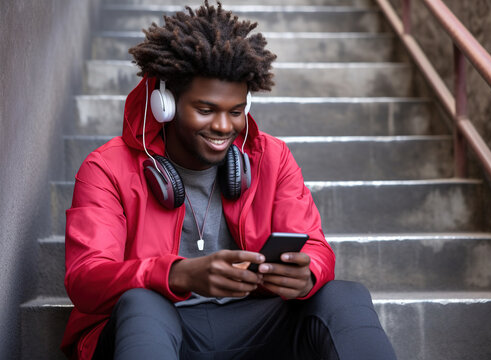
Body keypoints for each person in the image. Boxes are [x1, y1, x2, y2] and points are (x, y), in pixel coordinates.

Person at [61, 2, 397, 359]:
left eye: (235, 112)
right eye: (205, 110)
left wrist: (307, 275)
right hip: (160, 327)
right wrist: (178, 275)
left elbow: (315, 246)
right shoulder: (107, 167)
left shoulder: (272, 157)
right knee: (143, 303)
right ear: (166, 104)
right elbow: (86, 278)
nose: (223, 127)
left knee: (343, 295)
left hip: (258, 325)